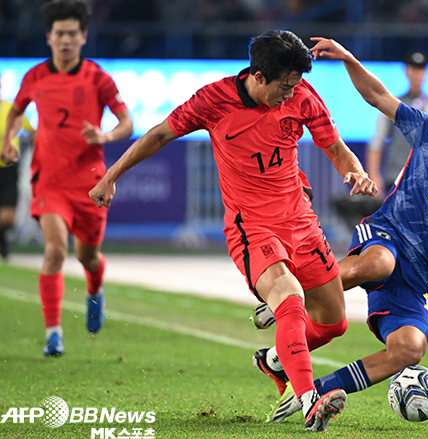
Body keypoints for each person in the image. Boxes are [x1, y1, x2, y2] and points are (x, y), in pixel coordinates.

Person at [88, 30, 377, 433]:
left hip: (301, 222)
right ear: (258, 77)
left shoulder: (303, 95)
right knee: (290, 300)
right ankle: (311, 399)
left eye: (295, 86)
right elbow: (158, 135)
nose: (290, 94)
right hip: (253, 228)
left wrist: (354, 171)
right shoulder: (213, 101)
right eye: (283, 87)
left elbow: (334, 146)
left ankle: (276, 360)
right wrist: (111, 176)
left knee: (333, 323)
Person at [251, 36, 428, 423]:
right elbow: (378, 96)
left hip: (415, 280)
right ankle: (289, 295)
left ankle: (318, 390)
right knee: (379, 264)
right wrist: (350, 58)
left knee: (409, 350)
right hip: (384, 236)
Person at [1, 0, 133, 357]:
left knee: (87, 256)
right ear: (49, 37)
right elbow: (14, 114)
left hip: (90, 185)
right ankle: (53, 333)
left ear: (83, 36)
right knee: (55, 250)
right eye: (59, 33)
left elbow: (127, 124)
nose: (65, 40)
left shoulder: (98, 78)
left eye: (72, 33)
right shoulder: (35, 77)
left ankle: (94, 289)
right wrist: (7, 140)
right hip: (49, 181)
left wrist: (104, 137)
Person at [367, 51, 428, 198]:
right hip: (396, 176)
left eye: (421, 69)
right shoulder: (393, 105)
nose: (417, 74)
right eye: (413, 68)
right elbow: (377, 142)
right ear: (406, 70)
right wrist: (374, 176)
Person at [0, 76, 35, 260]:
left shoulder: (10, 108)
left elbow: (32, 131)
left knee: (9, 218)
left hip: (8, 169)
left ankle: (2, 236)